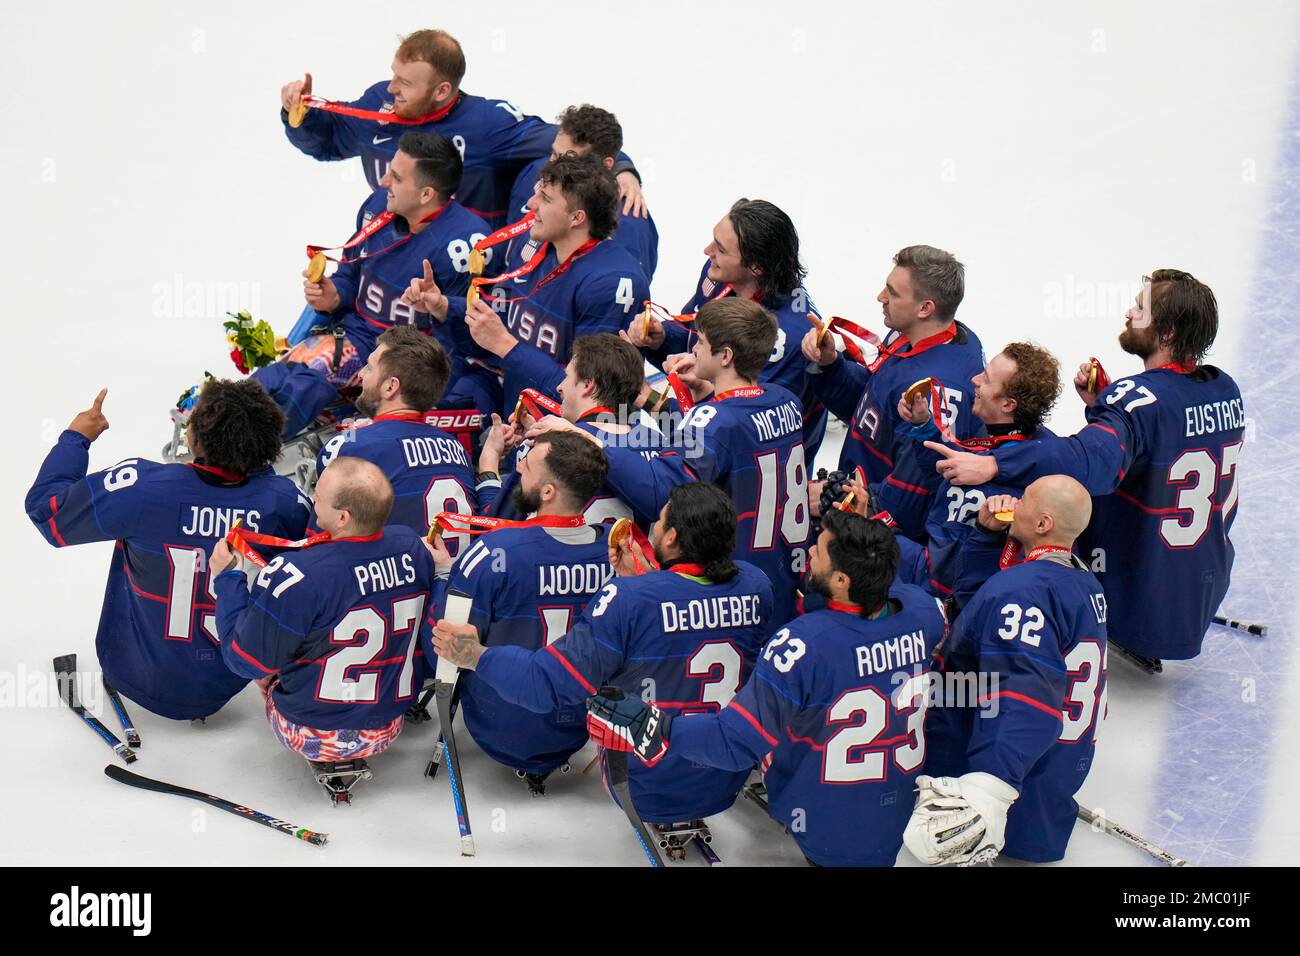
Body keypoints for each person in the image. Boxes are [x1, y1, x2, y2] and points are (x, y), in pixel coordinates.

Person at [585, 508, 947, 866]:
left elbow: (734, 743)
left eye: (818, 550)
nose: (809, 553)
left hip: (822, 824)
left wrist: (653, 726)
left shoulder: (804, 643)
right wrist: (869, 534)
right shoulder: (923, 612)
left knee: (770, 706)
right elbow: (891, 595)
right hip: (894, 818)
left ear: (841, 581)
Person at [932, 269, 1242, 670]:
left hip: (1134, 602)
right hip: (1197, 591)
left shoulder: (1136, 401)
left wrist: (994, 462)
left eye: (1141, 308)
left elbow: (1085, 464)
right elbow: (1168, 432)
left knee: (1055, 506)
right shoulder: (1225, 389)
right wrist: (1106, 412)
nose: (1129, 312)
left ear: (1166, 333)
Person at [431, 482, 774, 829]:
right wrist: (644, 581)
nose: (653, 524)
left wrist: (477, 656)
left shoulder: (628, 598)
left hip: (641, 784)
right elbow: (690, 616)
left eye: (660, 519)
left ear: (671, 538)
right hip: (727, 778)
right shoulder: (757, 584)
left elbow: (545, 685)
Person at [26, 382, 311, 720]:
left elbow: (46, 513)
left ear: (196, 439)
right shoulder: (284, 502)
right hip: (228, 679)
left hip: (131, 673)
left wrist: (76, 437)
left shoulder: (143, 487)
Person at [534, 298, 810, 626]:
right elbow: (715, 441)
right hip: (781, 568)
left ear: (725, 356)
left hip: (737, 583)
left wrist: (591, 439)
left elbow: (662, 493)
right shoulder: (785, 400)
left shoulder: (714, 420)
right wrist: (656, 396)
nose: (693, 350)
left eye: (702, 344)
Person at [903, 476, 1108, 865]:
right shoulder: (1083, 581)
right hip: (1049, 776)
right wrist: (984, 536)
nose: (1014, 500)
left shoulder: (1022, 592)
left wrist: (989, 787)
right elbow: (984, 607)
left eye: (1026, 498)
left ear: (1043, 523)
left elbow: (1022, 693)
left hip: (991, 785)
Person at [279, 29, 646, 226]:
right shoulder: (381, 103)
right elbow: (327, 142)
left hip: (461, 270)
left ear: (442, 91)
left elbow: (570, 141)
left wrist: (623, 168)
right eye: (394, 75)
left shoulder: (489, 124)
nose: (392, 88)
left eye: (405, 83)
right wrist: (300, 115)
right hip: (392, 247)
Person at [256, 132, 492, 436]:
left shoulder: (468, 246)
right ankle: (225, 419)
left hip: (415, 361)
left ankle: (249, 447)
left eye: (395, 176)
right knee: (280, 374)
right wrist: (334, 296)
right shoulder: (377, 206)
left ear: (425, 194)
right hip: (362, 337)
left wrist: (441, 307)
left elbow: (473, 334)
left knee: (315, 370)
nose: (382, 182)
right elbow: (349, 274)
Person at [212, 457, 437, 771]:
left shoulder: (301, 575)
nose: (314, 496)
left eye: (320, 494)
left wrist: (227, 578)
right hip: (388, 726)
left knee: (263, 656)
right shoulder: (413, 547)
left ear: (343, 517)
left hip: (309, 732)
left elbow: (242, 661)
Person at [425, 431, 615, 792]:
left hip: (500, 726)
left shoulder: (495, 551)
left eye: (525, 469)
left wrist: (443, 574)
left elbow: (443, 645)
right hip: (578, 726)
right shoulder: (615, 551)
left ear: (547, 493)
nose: (518, 473)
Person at [410, 153, 650, 417]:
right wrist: (443, 306)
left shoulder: (611, 283)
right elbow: (500, 324)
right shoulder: (534, 246)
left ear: (577, 218)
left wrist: (506, 345)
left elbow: (592, 394)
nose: (530, 203)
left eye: (545, 198)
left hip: (567, 442)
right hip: (514, 412)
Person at [625, 197, 824, 453]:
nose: (708, 251)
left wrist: (650, 399)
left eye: (720, 249)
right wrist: (662, 338)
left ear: (756, 267)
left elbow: (736, 430)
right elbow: (699, 341)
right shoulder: (720, 275)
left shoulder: (788, 338)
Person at [800, 245, 985, 519]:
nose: (880, 297)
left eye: (893, 293)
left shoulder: (938, 392)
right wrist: (830, 365)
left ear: (925, 308)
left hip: (875, 539)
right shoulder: (914, 335)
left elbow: (915, 497)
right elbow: (871, 409)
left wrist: (840, 498)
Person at [889, 342, 1063, 604]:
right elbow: (949, 481)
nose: (975, 379)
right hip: (934, 577)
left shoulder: (1043, 474)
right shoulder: (988, 432)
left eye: (987, 379)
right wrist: (924, 424)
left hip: (966, 603)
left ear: (1008, 405)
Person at [477, 333, 671, 526]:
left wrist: (490, 458)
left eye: (567, 377)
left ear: (587, 385)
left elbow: (494, 525)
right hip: (644, 556)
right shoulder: (660, 442)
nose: (560, 388)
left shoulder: (548, 448)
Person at [315, 327, 477, 555]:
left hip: (393, 587)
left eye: (370, 367)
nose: (361, 374)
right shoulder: (456, 446)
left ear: (390, 387)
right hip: (453, 581)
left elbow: (318, 541)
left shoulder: (349, 446)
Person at [504, 104, 658, 281]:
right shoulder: (534, 176)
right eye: (554, 154)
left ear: (606, 165)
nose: (552, 167)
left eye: (568, 161)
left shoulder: (630, 225)